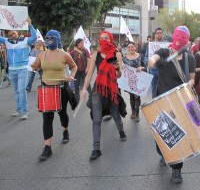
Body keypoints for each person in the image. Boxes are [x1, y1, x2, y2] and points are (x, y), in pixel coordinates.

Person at [148, 26, 195, 183]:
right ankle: (163, 152)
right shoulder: (164, 52)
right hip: (162, 99)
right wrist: (153, 61)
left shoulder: (190, 59)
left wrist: (191, 84)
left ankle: (177, 169)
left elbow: (192, 78)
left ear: (186, 40)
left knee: (178, 134)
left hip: (180, 101)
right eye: (178, 36)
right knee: (162, 134)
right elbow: (152, 59)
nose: (179, 39)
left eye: (183, 37)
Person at [31, 29, 77, 161]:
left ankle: (65, 131)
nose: (49, 39)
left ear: (57, 39)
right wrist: (34, 66)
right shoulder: (41, 55)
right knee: (47, 118)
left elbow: (74, 67)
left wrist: (71, 76)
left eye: (52, 37)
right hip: (46, 89)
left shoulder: (64, 55)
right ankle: (47, 148)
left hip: (61, 88)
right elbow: (37, 67)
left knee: (62, 114)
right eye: (47, 37)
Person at [81, 31, 126, 161]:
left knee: (116, 114)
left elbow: (119, 75)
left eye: (106, 38)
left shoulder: (116, 54)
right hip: (98, 90)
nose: (104, 40)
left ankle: (121, 131)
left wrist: (117, 68)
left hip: (112, 90)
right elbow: (89, 73)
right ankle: (96, 149)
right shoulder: (96, 55)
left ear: (111, 40)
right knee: (96, 119)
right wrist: (84, 88)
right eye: (101, 38)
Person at [0, 17, 37, 120]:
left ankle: (25, 112)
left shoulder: (25, 40)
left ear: (17, 32)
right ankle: (19, 109)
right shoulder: (7, 41)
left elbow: (34, 37)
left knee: (21, 90)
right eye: (10, 34)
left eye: (14, 33)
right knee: (16, 91)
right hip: (12, 70)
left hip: (22, 69)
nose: (13, 35)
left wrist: (30, 25)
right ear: (8, 36)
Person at [123, 41, 146, 122]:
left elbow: (146, 66)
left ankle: (137, 114)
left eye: (132, 46)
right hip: (129, 80)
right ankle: (132, 112)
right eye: (129, 47)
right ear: (127, 48)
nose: (130, 48)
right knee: (131, 96)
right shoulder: (124, 58)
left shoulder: (140, 56)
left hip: (139, 79)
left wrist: (141, 68)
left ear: (135, 47)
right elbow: (122, 68)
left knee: (137, 96)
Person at [149, 28, 166, 98]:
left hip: (165, 70)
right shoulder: (150, 45)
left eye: (160, 33)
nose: (159, 34)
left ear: (163, 34)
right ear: (155, 35)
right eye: (157, 33)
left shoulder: (167, 44)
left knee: (165, 90)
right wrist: (149, 63)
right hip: (154, 70)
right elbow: (146, 56)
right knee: (154, 89)